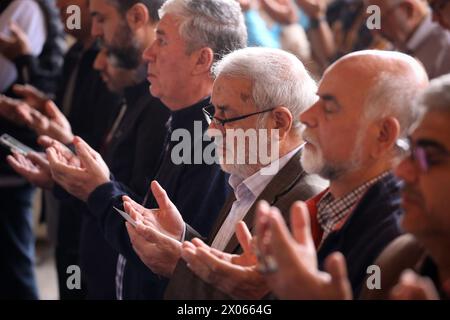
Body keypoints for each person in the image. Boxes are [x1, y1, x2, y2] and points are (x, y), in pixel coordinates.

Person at [40, 0, 247, 299]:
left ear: (202, 60)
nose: (148, 53)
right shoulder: (180, 120)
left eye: (161, 41)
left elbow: (166, 260)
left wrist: (99, 188)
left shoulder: (209, 141)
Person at [241, 49, 429, 299]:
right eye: (316, 100)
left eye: (328, 107)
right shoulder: (328, 206)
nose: (306, 116)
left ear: (382, 134)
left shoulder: (394, 238)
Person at [368, 0, 450, 79]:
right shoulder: (398, 48)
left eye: (378, 20)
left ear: (408, 10)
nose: (375, 32)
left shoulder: (445, 49)